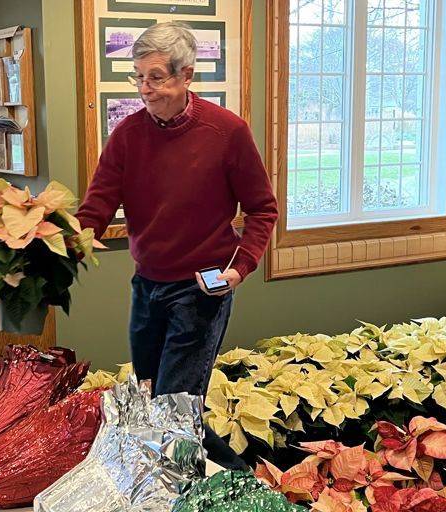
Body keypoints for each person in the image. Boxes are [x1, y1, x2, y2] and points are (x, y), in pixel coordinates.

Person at [74, 21, 279, 469]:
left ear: (186, 75)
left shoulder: (228, 132)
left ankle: (230, 485)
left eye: (156, 77)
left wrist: (240, 268)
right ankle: (240, 482)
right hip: (146, 288)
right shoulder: (127, 135)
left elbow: (263, 209)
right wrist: (54, 242)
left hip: (200, 292)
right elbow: (96, 210)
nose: (145, 89)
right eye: (139, 77)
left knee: (173, 410)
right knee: (155, 404)